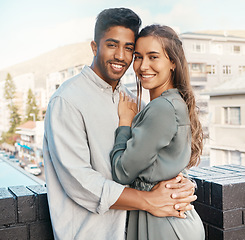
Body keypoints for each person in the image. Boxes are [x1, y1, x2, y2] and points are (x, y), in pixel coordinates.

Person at [43, 8, 197, 240]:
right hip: (91, 234)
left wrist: (181, 183)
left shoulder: (133, 101)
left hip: (137, 230)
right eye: (112, 45)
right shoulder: (67, 100)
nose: (121, 56)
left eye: (129, 49)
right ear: (95, 48)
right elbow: (80, 183)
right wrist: (149, 201)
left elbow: (154, 157)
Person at [110, 24, 205, 240]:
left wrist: (125, 123)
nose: (143, 66)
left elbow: (122, 172)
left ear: (172, 62)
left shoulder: (161, 108)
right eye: (138, 57)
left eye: (153, 57)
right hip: (174, 221)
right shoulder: (175, 102)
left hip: (164, 226)